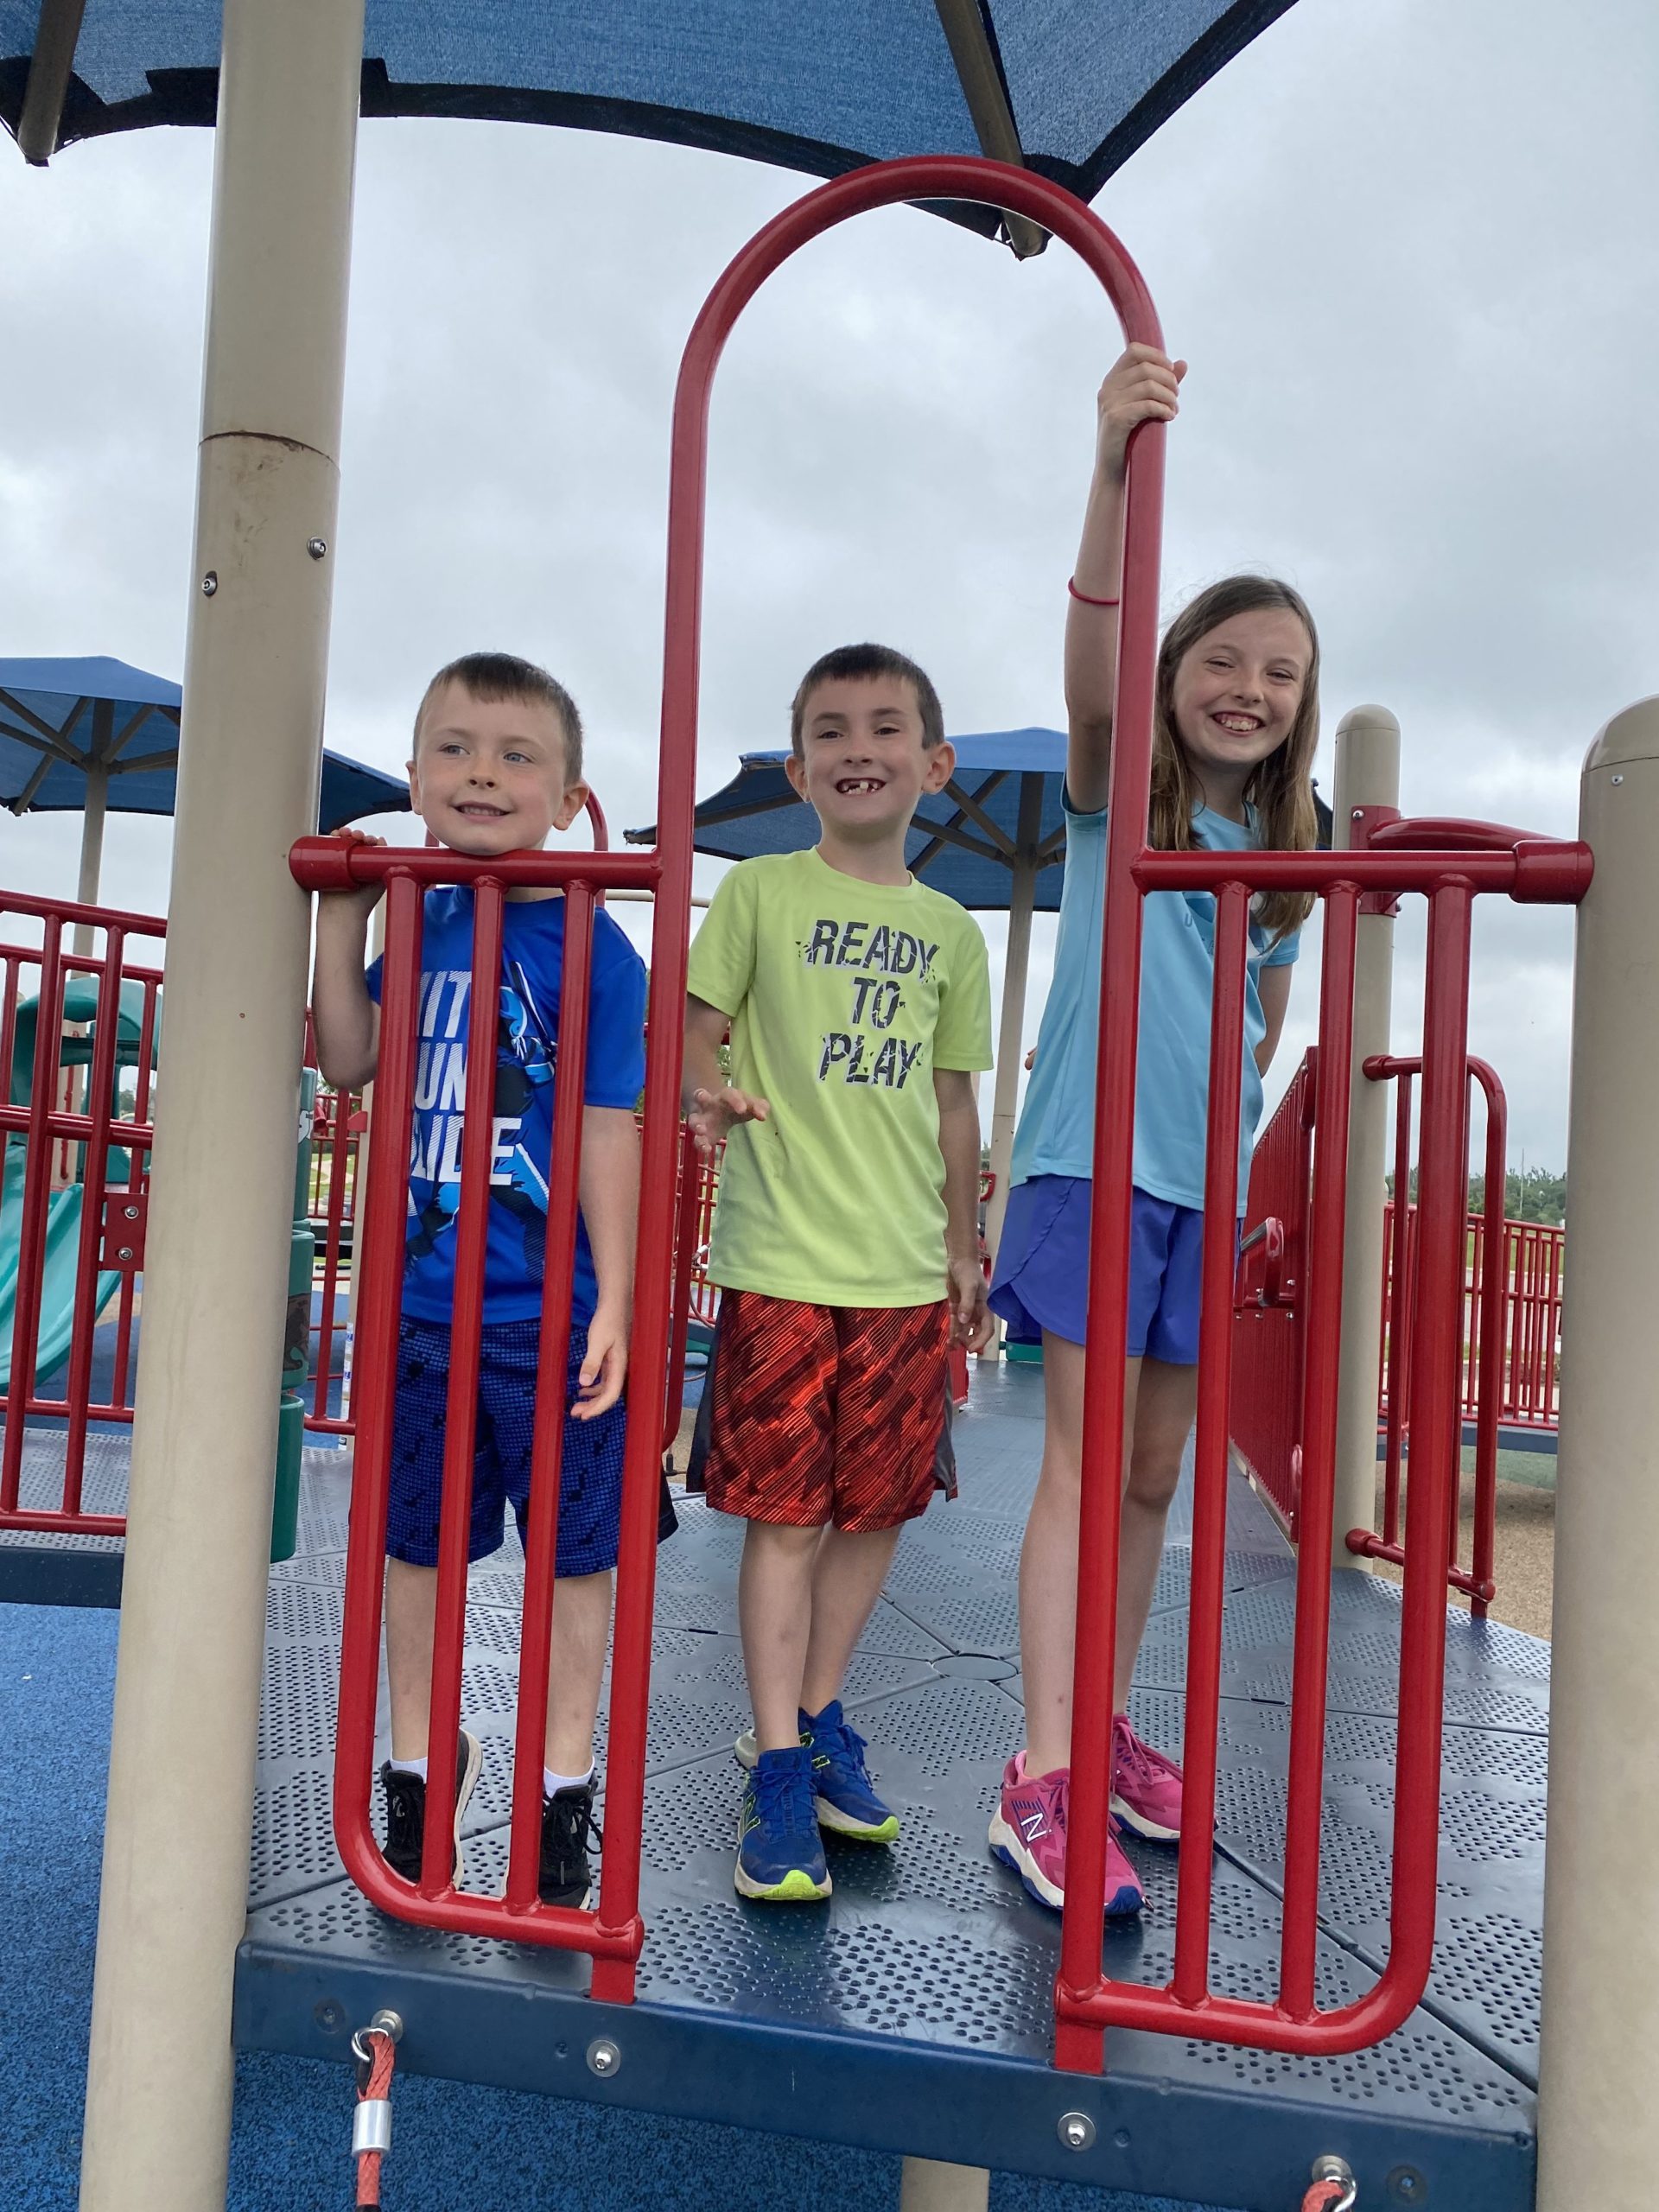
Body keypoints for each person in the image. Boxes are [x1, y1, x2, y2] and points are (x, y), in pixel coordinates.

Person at [988, 347, 1319, 1916]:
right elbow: (1096, 667)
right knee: (1085, 1461)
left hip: (1197, 1183)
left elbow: (1260, 1026)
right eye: (1224, 660)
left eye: (1281, 673)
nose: (1249, 687)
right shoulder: (1123, 790)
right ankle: (1040, 1776)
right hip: (1094, 1163)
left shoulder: (1287, 846)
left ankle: (1102, 1725)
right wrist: (1115, 466)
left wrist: (1232, 1154)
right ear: (1176, 671)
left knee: (1153, 1477)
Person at [310, 650, 656, 1911]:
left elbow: (607, 1126)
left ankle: (564, 1784)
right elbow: (347, 1060)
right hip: (420, 1308)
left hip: (547, 1313)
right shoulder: (424, 909)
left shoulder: (597, 941)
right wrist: (344, 916)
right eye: (454, 749)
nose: (482, 774)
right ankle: (417, 1762)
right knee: (416, 1547)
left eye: (518, 756)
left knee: (575, 1557)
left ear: (569, 797)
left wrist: (618, 1298)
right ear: (414, 777)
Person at [683, 643, 995, 1904]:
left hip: (904, 1269)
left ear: (935, 763)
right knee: (787, 1517)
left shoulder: (951, 932)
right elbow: (697, 1033)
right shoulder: (759, 890)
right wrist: (706, 1090)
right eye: (830, 730)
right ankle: (773, 1761)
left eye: (884, 727)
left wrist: (964, 1245)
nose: (857, 748)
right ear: (798, 767)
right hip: (780, 1255)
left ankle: (817, 1718)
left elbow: (956, 1103)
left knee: (874, 1513)